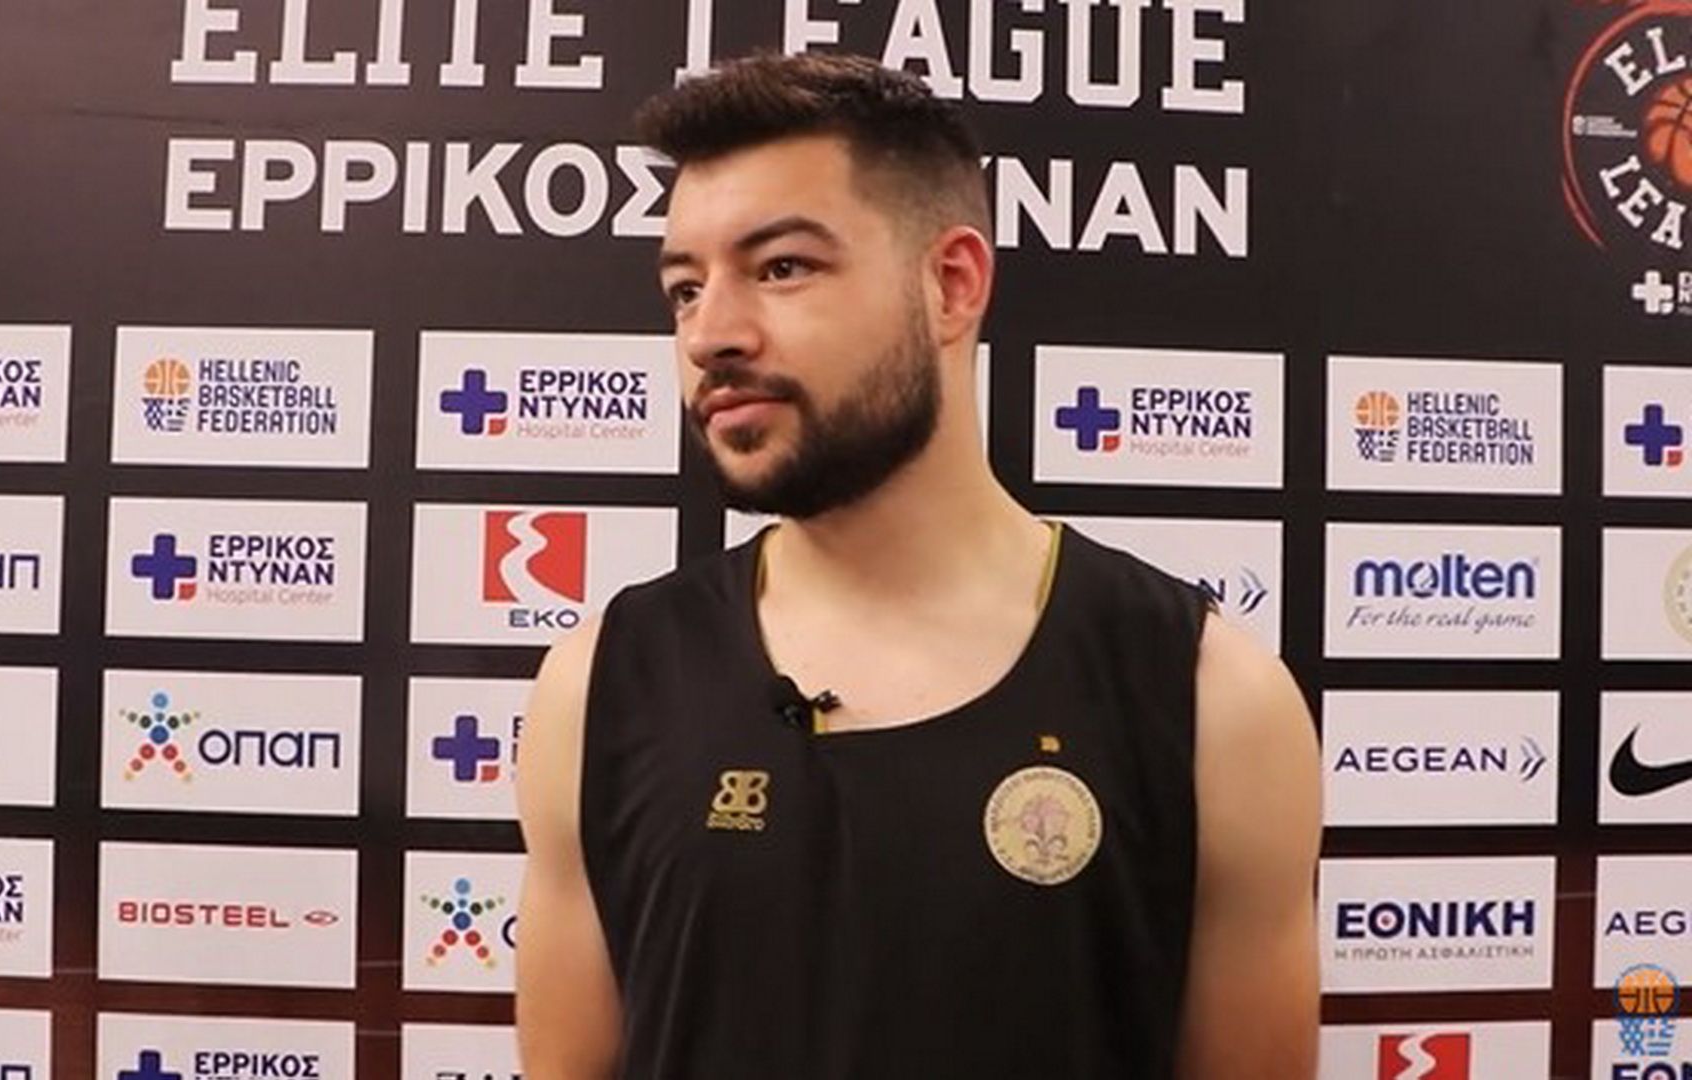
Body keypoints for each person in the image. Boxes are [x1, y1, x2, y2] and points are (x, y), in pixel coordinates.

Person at [515, 51, 1320, 1079]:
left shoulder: (1211, 699)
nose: (711, 334)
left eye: (782, 268)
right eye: (683, 288)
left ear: (951, 285)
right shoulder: (599, 686)